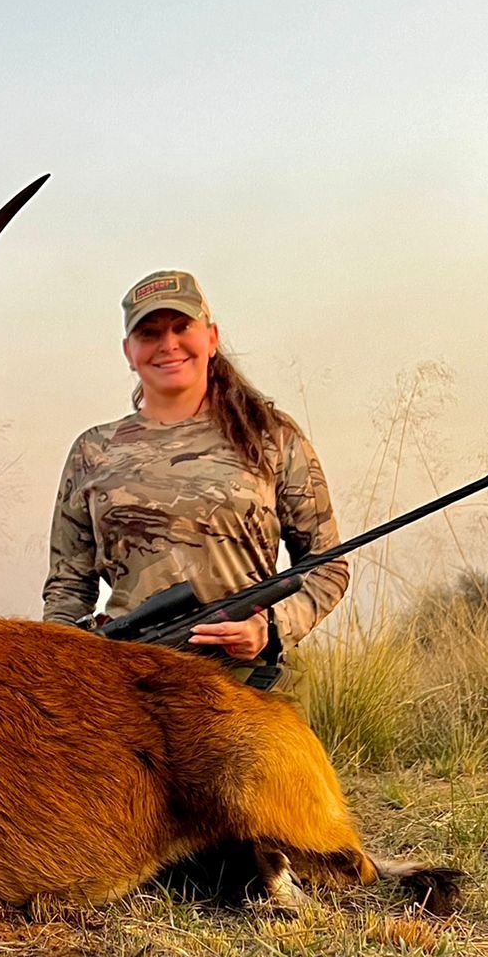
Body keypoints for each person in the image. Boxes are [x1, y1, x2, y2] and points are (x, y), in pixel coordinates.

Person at [41, 270, 348, 684]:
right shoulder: (92, 451)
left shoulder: (271, 435)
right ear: (128, 352)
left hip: (248, 680)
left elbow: (327, 565)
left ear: (212, 337)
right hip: (126, 685)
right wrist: (56, 671)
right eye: (149, 334)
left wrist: (272, 628)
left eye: (182, 327)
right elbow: (67, 590)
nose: (168, 345)